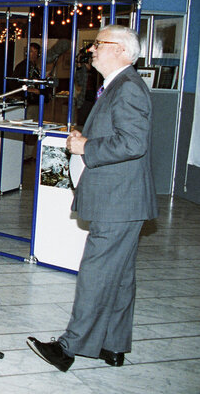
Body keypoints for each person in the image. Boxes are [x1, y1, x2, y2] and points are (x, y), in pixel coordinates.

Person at [27, 25, 158, 371]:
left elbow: (133, 143)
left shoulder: (128, 88)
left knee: (97, 273)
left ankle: (69, 348)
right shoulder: (117, 85)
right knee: (119, 275)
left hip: (119, 200)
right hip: (122, 198)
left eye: (99, 44)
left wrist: (87, 146)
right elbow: (120, 134)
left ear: (120, 50)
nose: (92, 50)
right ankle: (113, 346)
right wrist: (86, 137)